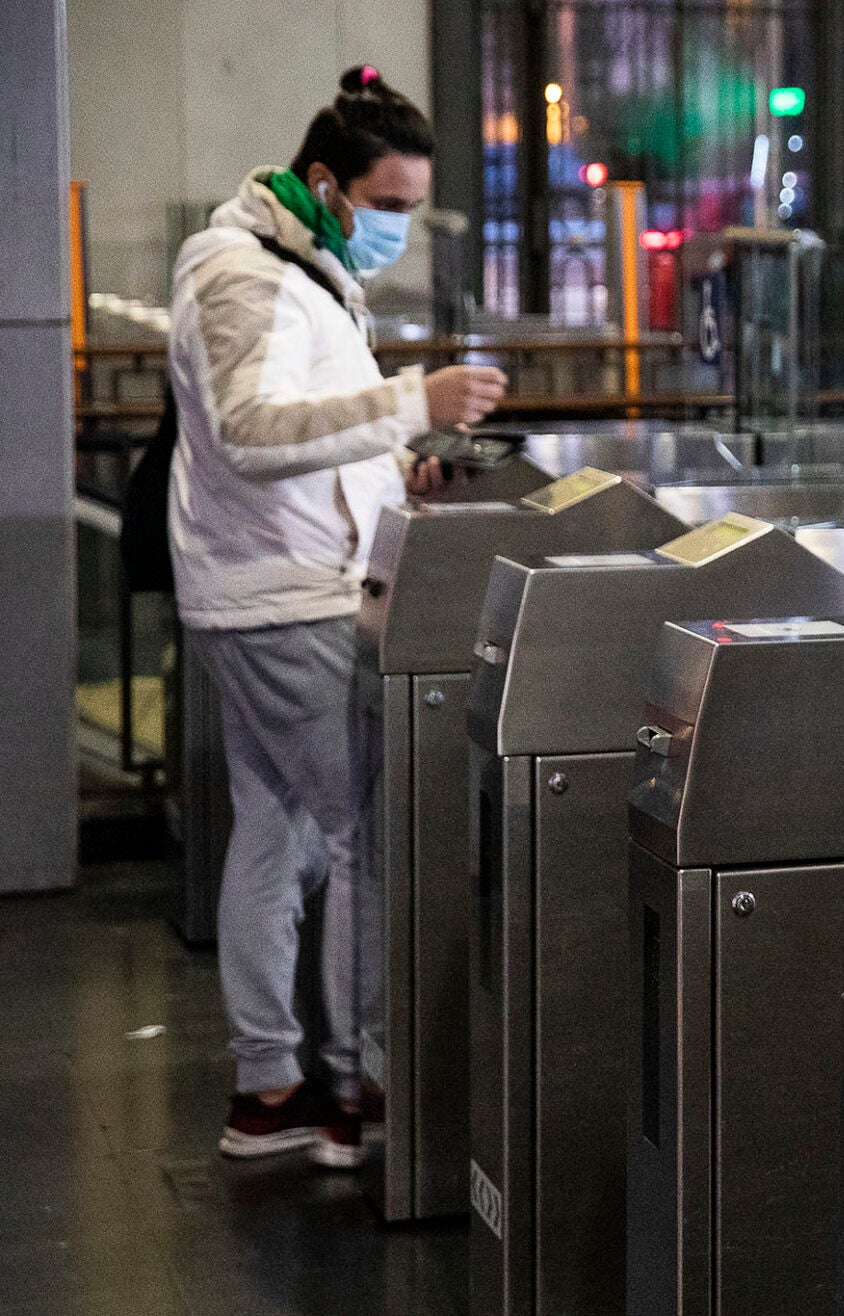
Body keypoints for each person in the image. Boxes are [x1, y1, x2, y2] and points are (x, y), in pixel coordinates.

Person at [168, 66, 507, 1163]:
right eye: (393, 207)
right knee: (366, 831)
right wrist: (414, 400)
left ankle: (268, 1088)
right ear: (328, 184)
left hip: (275, 584)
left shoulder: (296, 266)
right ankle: (362, 1093)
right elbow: (251, 433)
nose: (402, 229)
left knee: (277, 828)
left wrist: (397, 466)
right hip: (285, 601)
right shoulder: (243, 271)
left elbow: (299, 431)